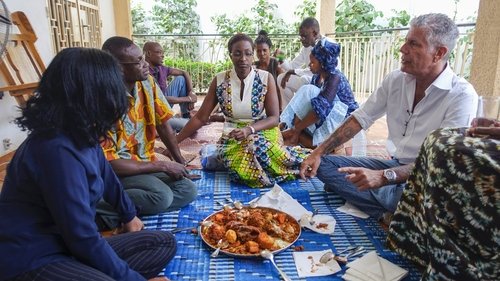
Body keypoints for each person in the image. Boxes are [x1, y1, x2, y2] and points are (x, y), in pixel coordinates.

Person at [0, 48, 174, 281]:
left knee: (161, 243)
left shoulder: (83, 132)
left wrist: (129, 215)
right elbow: (82, 237)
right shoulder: (55, 149)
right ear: (93, 94)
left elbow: (107, 177)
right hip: (34, 257)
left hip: (69, 248)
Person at [299, 13, 478, 221]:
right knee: (326, 166)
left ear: (438, 53)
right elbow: (361, 118)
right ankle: (386, 214)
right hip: (393, 166)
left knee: (433, 200)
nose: (403, 49)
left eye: (413, 44)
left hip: (426, 179)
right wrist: (319, 152)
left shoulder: (462, 95)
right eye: (405, 41)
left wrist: (384, 177)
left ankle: (389, 203)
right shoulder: (396, 80)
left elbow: (441, 163)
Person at [176, 33, 309, 188]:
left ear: (253, 55)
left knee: (256, 147)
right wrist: (175, 141)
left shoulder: (266, 78)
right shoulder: (219, 80)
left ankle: (305, 161)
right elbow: (200, 118)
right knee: (244, 156)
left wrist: (249, 129)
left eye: (248, 53)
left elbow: (274, 118)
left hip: (264, 131)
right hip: (232, 137)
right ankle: (264, 173)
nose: (243, 59)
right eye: (237, 53)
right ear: (230, 55)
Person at [98, 36, 197, 230]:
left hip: (144, 162)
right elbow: (106, 163)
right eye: (138, 62)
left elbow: (163, 124)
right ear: (117, 67)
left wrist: (179, 163)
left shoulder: (147, 82)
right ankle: (99, 207)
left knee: (187, 189)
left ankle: (124, 208)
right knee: (161, 196)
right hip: (117, 171)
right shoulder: (103, 99)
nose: (145, 65)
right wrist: (161, 166)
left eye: (143, 58)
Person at [387, 118, 499, 280]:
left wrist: (386, 176)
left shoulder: (461, 95)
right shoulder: (396, 91)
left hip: (411, 175)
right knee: (438, 139)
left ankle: (449, 257)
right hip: (407, 171)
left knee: (445, 147)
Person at [280, 38, 358, 148]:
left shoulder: (335, 78)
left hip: (343, 119)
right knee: (308, 91)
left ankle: (300, 136)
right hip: (325, 114)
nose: (309, 65)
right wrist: (296, 127)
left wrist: (296, 129)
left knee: (308, 90)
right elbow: (308, 105)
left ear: (322, 63)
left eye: (312, 62)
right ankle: (296, 135)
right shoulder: (317, 78)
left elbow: (318, 112)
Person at [143, 41, 198, 131]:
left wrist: (191, 92)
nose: (162, 55)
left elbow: (185, 73)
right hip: (155, 112)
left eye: (163, 53)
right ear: (148, 53)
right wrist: (189, 99)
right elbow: (159, 99)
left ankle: (185, 114)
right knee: (192, 126)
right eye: (159, 52)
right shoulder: (144, 73)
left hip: (164, 104)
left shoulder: (161, 68)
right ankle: (162, 127)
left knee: (181, 78)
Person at [276, 17, 322, 110]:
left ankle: (296, 113)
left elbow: (317, 73)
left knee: (305, 80)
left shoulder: (326, 45)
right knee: (281, 78)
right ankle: (287, 114)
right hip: (310, 81)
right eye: (300, 36)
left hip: (324, 85)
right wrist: (281, 58)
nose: (301, 39)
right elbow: (292, 66)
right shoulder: (306, 48)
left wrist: (293, 72)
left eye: (304, 36)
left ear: (314, 33)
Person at [254, 30, 284, 109]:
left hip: (276, 103)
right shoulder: (254, 66)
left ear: (269, 49)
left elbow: (282, 87)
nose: (262, 54)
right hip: (259, 104)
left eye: (264, 50)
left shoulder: (275, 64)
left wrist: (280, 109)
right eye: (259, 51)